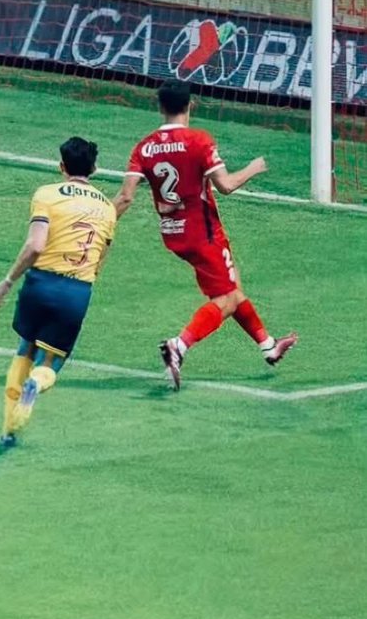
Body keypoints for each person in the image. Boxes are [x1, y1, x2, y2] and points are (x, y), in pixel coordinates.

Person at [113, 82, 298, 389]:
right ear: (191, 105)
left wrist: (101, 225)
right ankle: (179, 346)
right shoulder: (199, 140)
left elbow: (126, 197)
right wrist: (253, 168)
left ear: (159, 107)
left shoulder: (144, 147)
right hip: (203, 234)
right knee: (225, 298)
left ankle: (268, 345)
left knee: (233, 287)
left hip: (173, 234)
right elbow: (225, 185)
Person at [0, 137, 116, 448]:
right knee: (52, 361)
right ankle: (38, 383)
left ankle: (7, 431)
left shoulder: (46, 194)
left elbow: (35, 245)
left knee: (25, 349)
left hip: (39, 284)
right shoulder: (108, 208)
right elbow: (99, 262)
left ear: (61, 166)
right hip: (76, 291)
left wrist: (7, 280)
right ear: (95, 169)